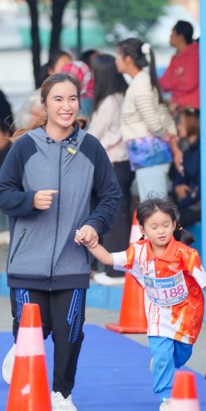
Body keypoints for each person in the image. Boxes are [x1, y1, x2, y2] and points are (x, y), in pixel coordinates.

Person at [0, 73, 122, 411]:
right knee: (33, 332)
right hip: (27, 263)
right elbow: (1, 193)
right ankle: (22, 363)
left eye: (72, 99)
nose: (66, 106)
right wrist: (30, 201)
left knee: (70, 333)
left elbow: (111, 197)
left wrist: (94, 224)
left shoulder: (91, 147)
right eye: (58, 99)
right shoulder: (25, 146)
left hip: (72, 260)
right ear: (45, 105)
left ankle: (62, 393)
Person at [81, 196, 206, 411]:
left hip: (186, 314)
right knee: (162, 356)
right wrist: (92, 244)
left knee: (182, 353)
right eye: (154, 226)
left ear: (174, 225)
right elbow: (108, 258)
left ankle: (162, 362)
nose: (161, 231)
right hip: (158, 314)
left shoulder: (185, 254)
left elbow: (203, 278)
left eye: (165, 225)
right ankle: (166, 399)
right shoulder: (137, 252)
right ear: (143, 229)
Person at [87, 54, 134, 286]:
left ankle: (116, 271)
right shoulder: (120, 96)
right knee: (116, 214)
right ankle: (113, 268)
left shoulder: (109, 102)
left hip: (113, 163)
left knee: (114, 217)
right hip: (121, 164)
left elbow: (93, 136)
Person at [116, 38, 181, 201]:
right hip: (149, 156)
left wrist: (164, 135)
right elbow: (161, 111)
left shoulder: (140, 84)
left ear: (128, 59)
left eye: (118, 56)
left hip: (150, 155)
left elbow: (152, 121)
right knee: (153, 204)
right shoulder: (143, 81)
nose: (116, 60)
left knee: (155, 206)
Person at [172, 108, 206, 226]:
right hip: (187, 202)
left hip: (203, 205)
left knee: (169, 220)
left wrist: (184, 201)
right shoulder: (185, 149)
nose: (178, 127)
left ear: (192, 124)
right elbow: (179, 175)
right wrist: (177, 186)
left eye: (181, 123)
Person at [159, 20, 200, 112]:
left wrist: (173, 81)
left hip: (192, 109)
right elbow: (163, 82)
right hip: (177, 106)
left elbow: (189, 84)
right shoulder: (175, 57)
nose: (170, 37)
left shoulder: (195, 55)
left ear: (180, 37)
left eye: (172, 33)